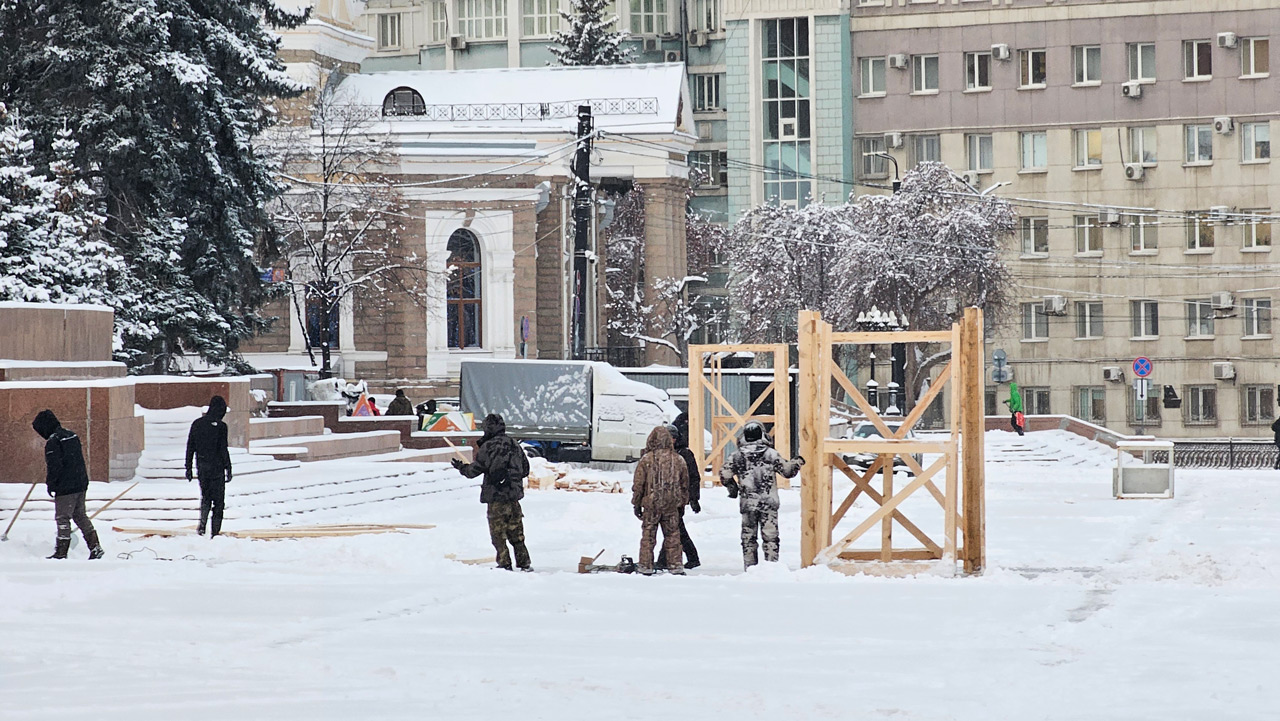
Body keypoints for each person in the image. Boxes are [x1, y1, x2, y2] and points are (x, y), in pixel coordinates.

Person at [452, 413, 533, 571]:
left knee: (498, 535)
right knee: (516, 533)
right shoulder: (514, 444)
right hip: (513, 497)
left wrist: (462, 467)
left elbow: (474, 471)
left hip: (496, 497)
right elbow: (525, 469)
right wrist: (512, 477)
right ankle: (524, 562)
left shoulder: (488, 447)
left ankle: (504, 563)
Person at [720, 421, 803, 570]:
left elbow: (724, 474)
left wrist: (733, 489)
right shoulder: (771, 454)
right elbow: (787, 472)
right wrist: (797, 462)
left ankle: (750, 568)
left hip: (748, 502)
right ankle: (771, 567)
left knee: (748, 537)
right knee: (770, 538)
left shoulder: (737, 455)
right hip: (768, 502)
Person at [32, 410, 103, 560]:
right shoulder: (71, 435)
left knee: (62, 518)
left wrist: (51, 484)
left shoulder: (53, 442)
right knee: (80, 515)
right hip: (80, 483)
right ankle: (95, 547)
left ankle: (61, 552)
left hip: (66, 487)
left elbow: (55, 467)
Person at [631, 426, 689, 575]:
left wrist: (636, 503)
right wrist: (682, 502)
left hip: (651, 504)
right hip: (671, 504)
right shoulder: (678, 459)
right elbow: (684, 484)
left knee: (648, 536)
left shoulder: (646, 459)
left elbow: (639, 484)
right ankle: (676, 566)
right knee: (673, 536)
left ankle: (645, 565)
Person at [654, 416, 700, 571]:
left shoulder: (685, 454)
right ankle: (690, 557)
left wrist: (694, 498)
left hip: (678, 498)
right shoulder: (661, 455)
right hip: (666, 497)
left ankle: (667, 560)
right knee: (675, 528)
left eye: (673, 438)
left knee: (674, 528)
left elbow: (694, 477)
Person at [185, 396, 233, 537]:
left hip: (202, 466)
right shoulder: (221, 427)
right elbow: (223, 449)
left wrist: (188, 467)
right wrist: (228, 468)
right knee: (218, 502)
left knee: (206, 497)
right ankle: (215, 532)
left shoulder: (197, 424)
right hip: (216, 469)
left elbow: (190, 447)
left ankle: (202, 526)